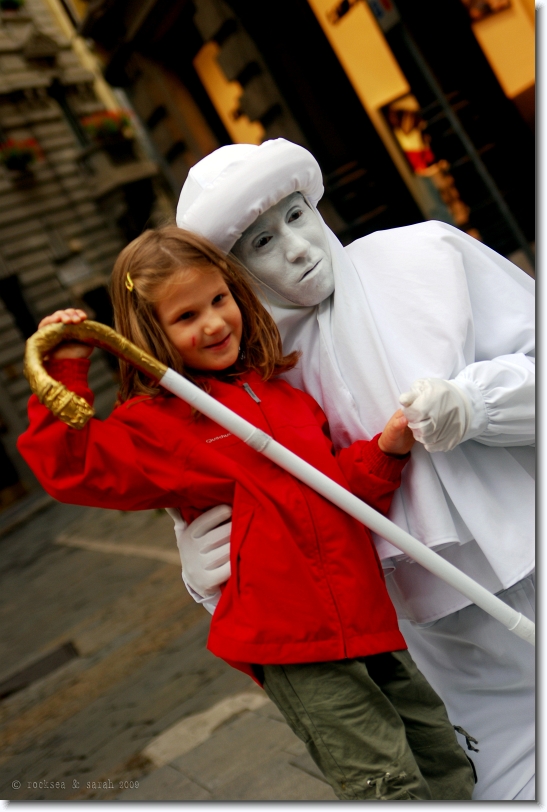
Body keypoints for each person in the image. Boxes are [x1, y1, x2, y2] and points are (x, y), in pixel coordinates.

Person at [17, 227, 475, 802]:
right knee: (386, 784)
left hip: (366, 620)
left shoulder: (282, 395)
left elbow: (334, 493)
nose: (212, 323)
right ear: (150, 333)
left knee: (444, 757)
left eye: (218, 300)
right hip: (294, 642)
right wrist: (64, 367)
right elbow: (73, 466)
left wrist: (384, 452)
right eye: (186, 317)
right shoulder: (162, 423)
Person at [173, 139, 535, 801]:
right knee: (507, 774)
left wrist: (480, 402)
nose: (298, 249)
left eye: (293, 217)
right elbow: (245, 492)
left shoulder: (426, 256)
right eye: (259, 244)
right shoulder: (253, 374)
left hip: (529, 539)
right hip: (432, 618)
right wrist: (207, 570)